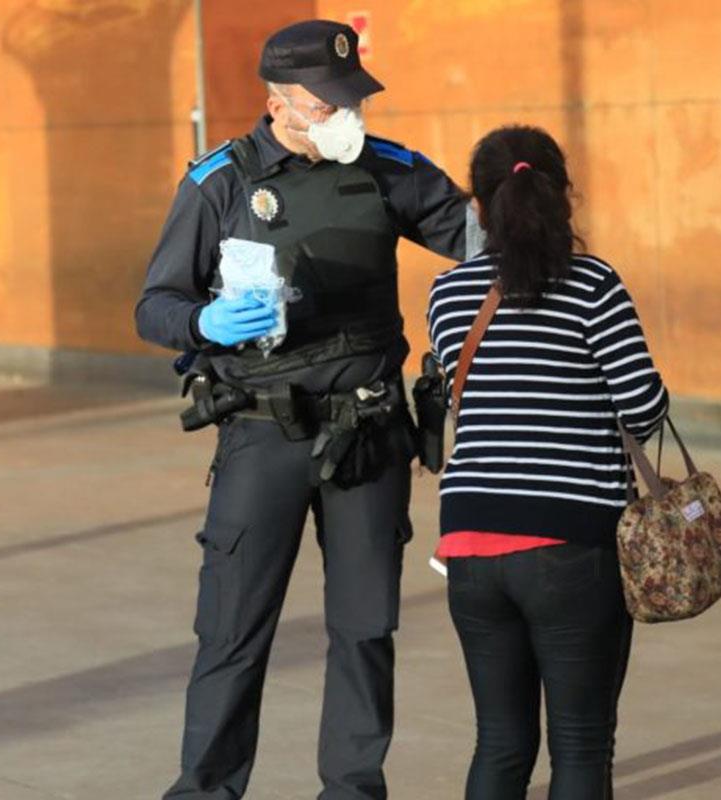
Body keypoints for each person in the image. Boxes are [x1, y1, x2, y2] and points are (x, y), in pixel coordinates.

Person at [135, 19, 469, 800]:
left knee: (364, 631)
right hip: (262, 435)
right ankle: (206, 790)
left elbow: (482, 239)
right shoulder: (219, 181)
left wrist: (537, 221)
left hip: (369, 436)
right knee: (231, 632)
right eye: (330, 101)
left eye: (353, 97)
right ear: (280, 101)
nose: (349, 113)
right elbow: (154, 305)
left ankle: (353, 791)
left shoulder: (388, 170)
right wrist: (201, 324)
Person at [426, 125, 670, 799]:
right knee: (581, 746)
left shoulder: (447, 296)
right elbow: (643, 408)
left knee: (501, 743)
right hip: (570, 546)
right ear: (563, 196)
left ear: (479, 206)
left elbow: (465, 402)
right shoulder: (594, 284)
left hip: (470, 547)